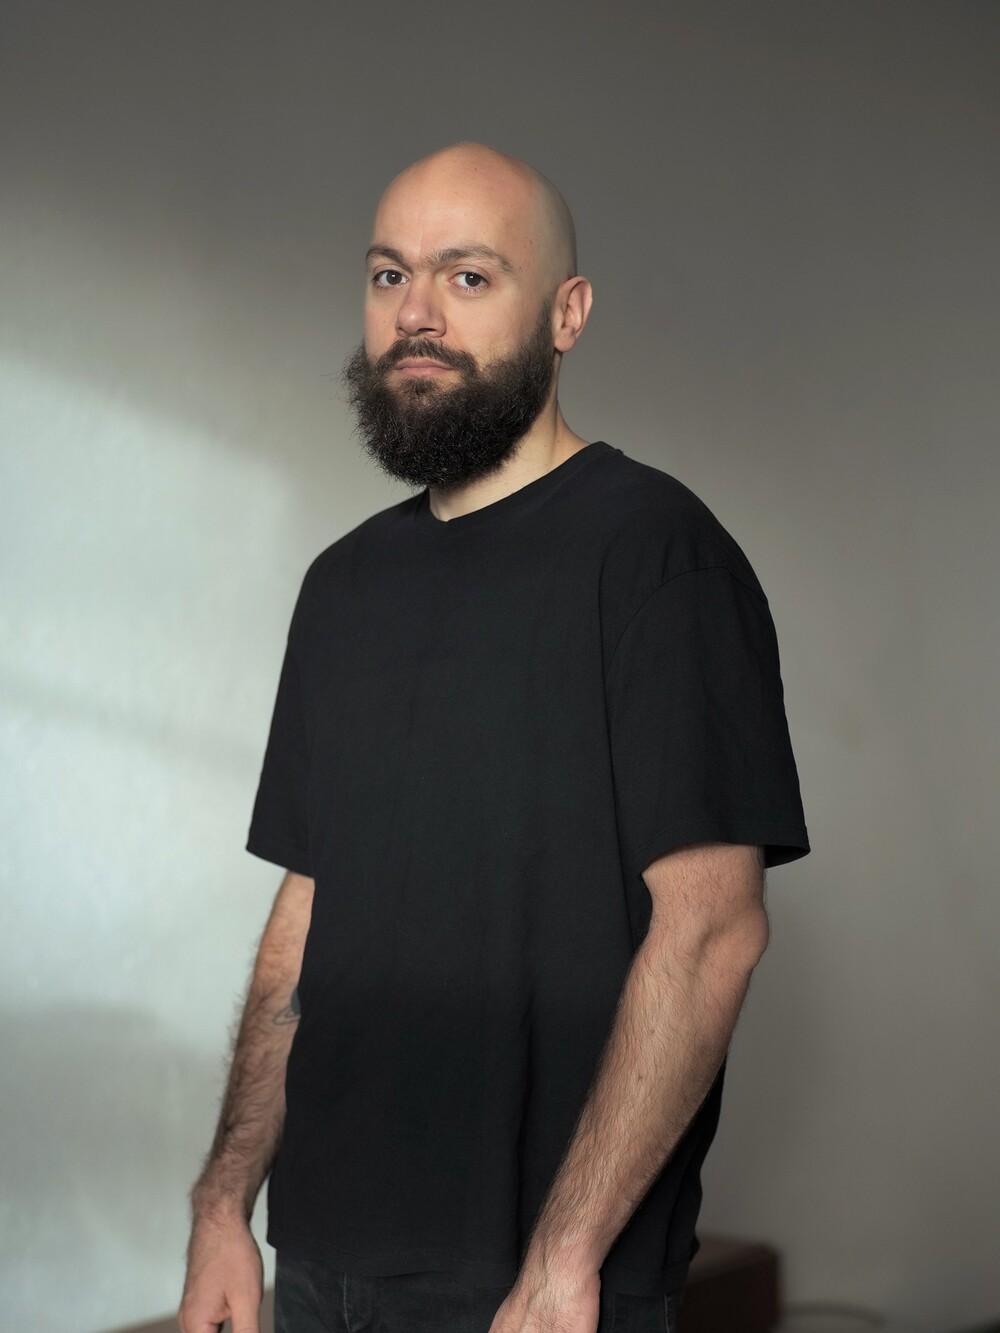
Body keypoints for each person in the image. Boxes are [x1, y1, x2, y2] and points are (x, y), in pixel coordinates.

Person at [178, 140, 810, 1333]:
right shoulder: (343, 586)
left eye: (468, 278)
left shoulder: (656, 557)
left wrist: (565, 1260)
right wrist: (225, 1203)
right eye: (387, 275)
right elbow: (307, 916)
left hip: (534, 1281)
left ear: (565, 313)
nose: (414, 313)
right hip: (316, 1258)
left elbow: (714, 928)